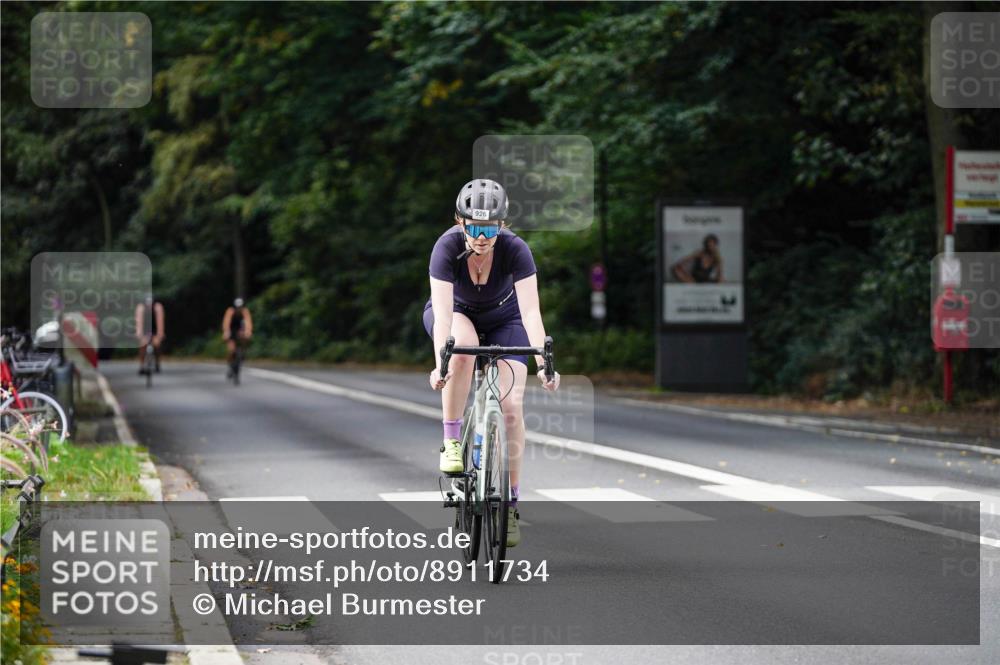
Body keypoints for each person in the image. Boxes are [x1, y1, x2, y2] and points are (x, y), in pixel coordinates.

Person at [424, 179, 560, 548]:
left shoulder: (516, 250)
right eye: (473, 227)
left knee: (512, 406)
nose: (481, 237)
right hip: (458, 315)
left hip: (506, 319)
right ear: (460, 222)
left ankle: (511, 505)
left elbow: (531, 313)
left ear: (502, 225)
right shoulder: (446, 247)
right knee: (462, 348)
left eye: (489, 228)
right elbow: (443, 313)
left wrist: (544, 364)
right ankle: (452, 440)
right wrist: (442, 363)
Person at [222, 298, 253, 377]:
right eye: (237, 307)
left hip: (240, 330)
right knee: (231, 350)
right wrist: (226, 332)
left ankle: (243, 353)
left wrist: (248, 332)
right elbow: (226, 323)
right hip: (231, 330)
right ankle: (230, 364)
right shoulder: (230, 311)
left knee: (245, 338)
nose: (239, 309)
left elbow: (248, 322)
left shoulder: (245, 311)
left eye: (240, 307)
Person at [135, 295, 165, 374]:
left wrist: (160, 334)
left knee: (157, 345)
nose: (149, 306)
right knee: (142, 345)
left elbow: (160, 322)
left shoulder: (157, 308)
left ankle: (157, 363)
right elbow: (139, 323)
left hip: (154, 329)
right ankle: (141, 366)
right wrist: (139, 334)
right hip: (144, 329)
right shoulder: (141, 308)